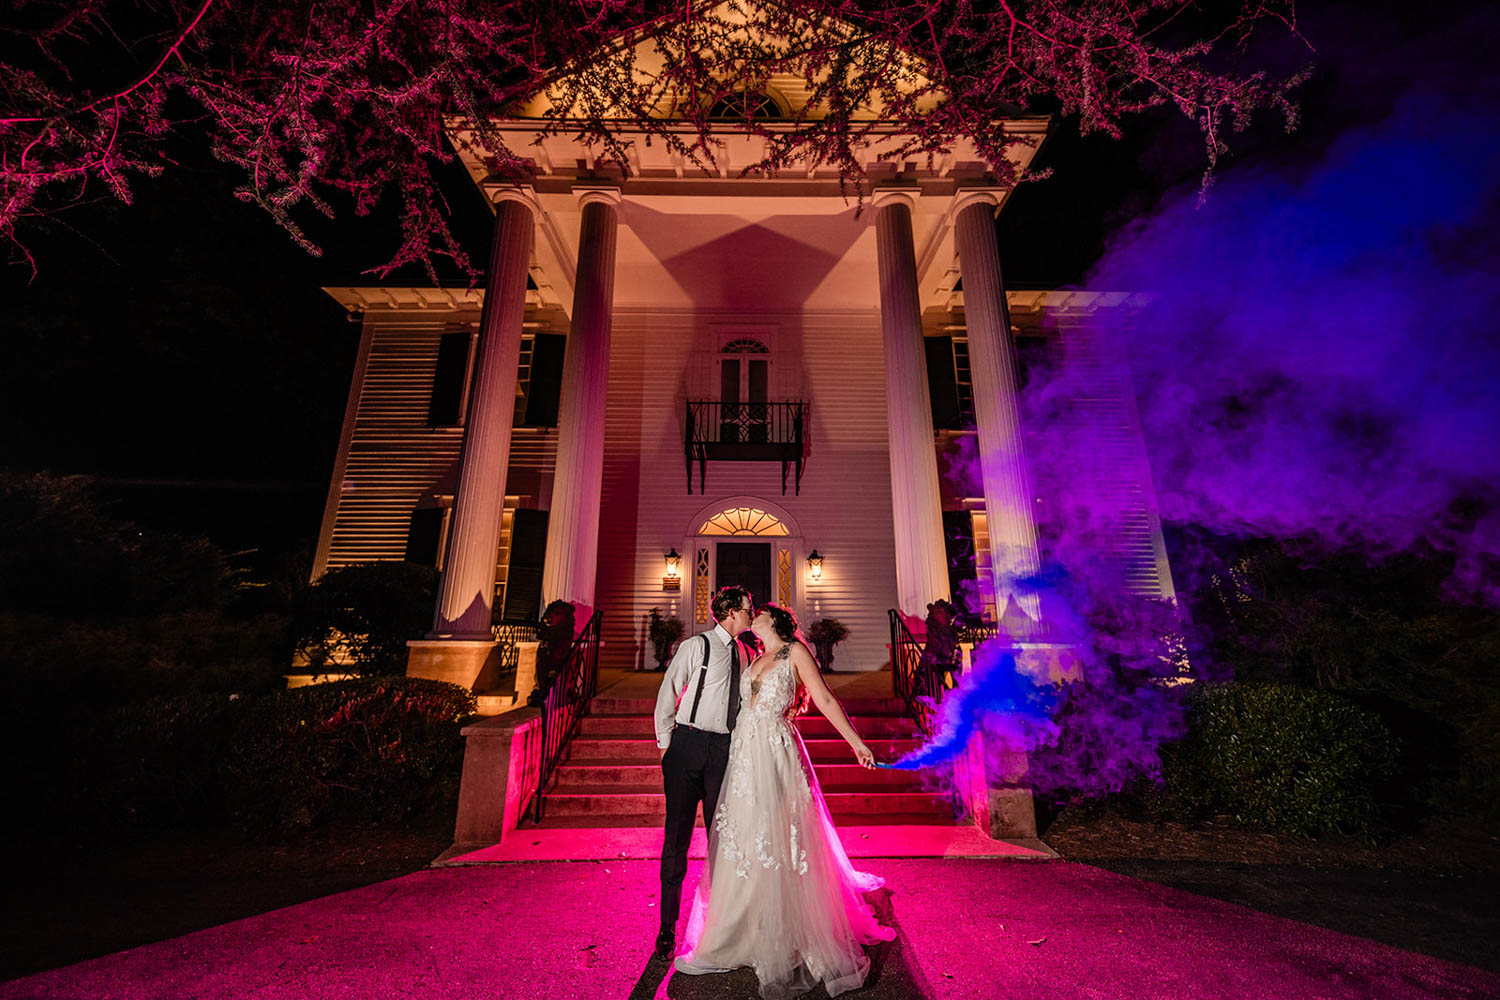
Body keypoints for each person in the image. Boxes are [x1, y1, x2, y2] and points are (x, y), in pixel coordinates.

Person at [674, 602, 895, 998]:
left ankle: (787, 929)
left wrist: (856, 743)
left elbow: (825, 699)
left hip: (774, 752)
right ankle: (744, 925)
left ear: (773, 621)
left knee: (780, 834)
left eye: (758, 612)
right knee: (745, 835)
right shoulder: (753, 654)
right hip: (744, 753)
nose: (752, 614)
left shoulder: (795, 652)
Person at [653, 585, 754, 960]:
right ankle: (667, 927)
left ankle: (719, 926)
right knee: (676, 840)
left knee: (720, 840)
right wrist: (667, 747)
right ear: (730, 612)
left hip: (722, 752)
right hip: (687, 745)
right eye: (747, 609)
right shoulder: (696, 646)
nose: (751, 614)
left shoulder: (746, 652)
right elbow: (669, 693)